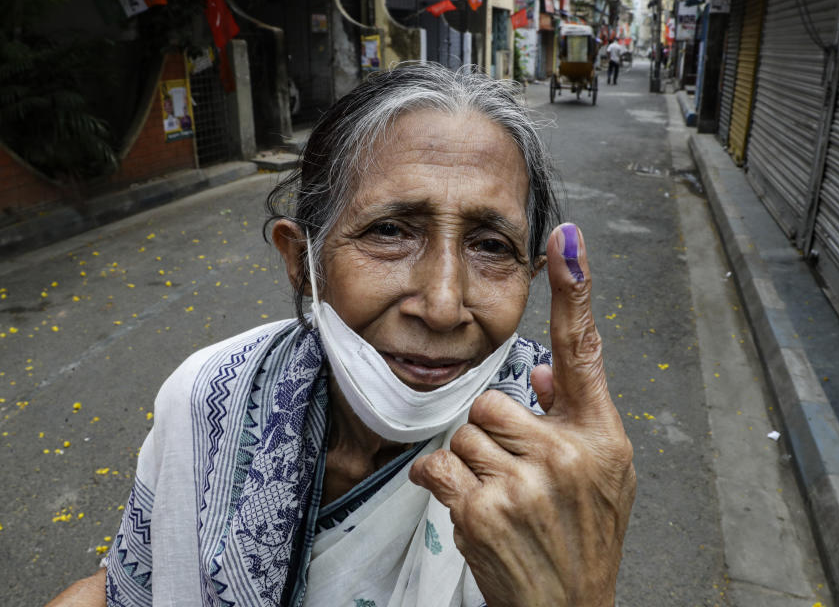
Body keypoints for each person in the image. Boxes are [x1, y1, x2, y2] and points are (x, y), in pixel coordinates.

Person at [46, 63, 637, 607]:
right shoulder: (208, 397)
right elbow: (129, 586)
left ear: (532, 276)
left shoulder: (553, 463)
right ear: (301, 261)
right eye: (389, 231)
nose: (441, 305)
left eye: (490, 246)